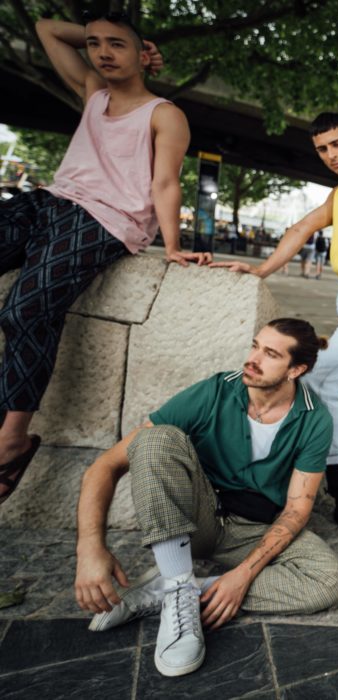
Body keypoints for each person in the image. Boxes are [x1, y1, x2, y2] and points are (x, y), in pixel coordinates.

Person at [0, 13, 208, 505]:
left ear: (141, 56)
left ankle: (12, 439)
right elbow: (47, 27)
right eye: (94, 44)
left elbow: (165, 183)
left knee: (24, 308)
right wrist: (122, 38)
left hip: (105, 221)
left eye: (117, 45)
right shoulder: (94, 91)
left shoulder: (164, 114)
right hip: (48, 203)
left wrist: (173, 247)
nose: (102, 53)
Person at [74, 318, 338, 677]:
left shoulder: (314, 418)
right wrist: (90, 548)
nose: (253, 358)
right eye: (254, 346)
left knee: (329, 581)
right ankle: (177, 591)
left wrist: (243, 576)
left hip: (253, 528)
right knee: (154, 439)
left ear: (296, 369)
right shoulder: (215, 391)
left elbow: (297, 509)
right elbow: (105, 465)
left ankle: (173, 588)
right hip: (196, 521)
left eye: (270, 354)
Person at [210, 112, 338, 525]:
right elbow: (300, 229)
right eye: (322, 149)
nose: (330, 155)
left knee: (323, 381)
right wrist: (259, 270)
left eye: (337, 144)